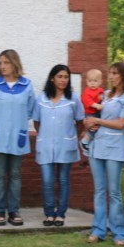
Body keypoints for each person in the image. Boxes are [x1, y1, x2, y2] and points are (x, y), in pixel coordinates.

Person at [0, 49, 36, 226]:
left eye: (6, 62)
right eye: (0, 63)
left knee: (15, 174)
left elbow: (30, 110)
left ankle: (13, 211)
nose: (2, 66)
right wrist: (1, 123)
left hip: (17, 136)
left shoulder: (27, 85)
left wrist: (16, 124)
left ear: (15, 64)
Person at [85, 61, 124, 246]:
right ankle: (98, 230)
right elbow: (91, 110)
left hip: (115, 149)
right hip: (97, 147)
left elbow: (122, 123)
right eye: (110, 73)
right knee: (99, 191)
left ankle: (119, 232)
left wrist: (98, 120)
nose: (111, 77)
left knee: (114, 192)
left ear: (123, 76)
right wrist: (90, 123)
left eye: (115, 73)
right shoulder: (104, 95)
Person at [33, 64, 85, 227]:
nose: (63, 80)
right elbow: (37, 122)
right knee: (47, 180)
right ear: (52, 78)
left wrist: (71, 136)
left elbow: (80, 121)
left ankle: (60, 214)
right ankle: (49, 214)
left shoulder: (73, 99)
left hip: (66, 145)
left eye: (66, 77)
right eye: (60, 77)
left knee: (63, 180)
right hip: (46, 145)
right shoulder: (41, 98)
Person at [79, 68, 104, 152]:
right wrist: (96, 105)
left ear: (100, 82)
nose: (92, 83)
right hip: (90, 113)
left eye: (95, 81)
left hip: (97, 112)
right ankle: (85, 141)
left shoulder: (100, 90)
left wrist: (102, 98)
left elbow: (102, 97)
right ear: (87, 82)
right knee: (93, 128)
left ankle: (92, 142)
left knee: (98, 127)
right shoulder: (87, 92)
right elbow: (87, 101)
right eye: (90, 81)